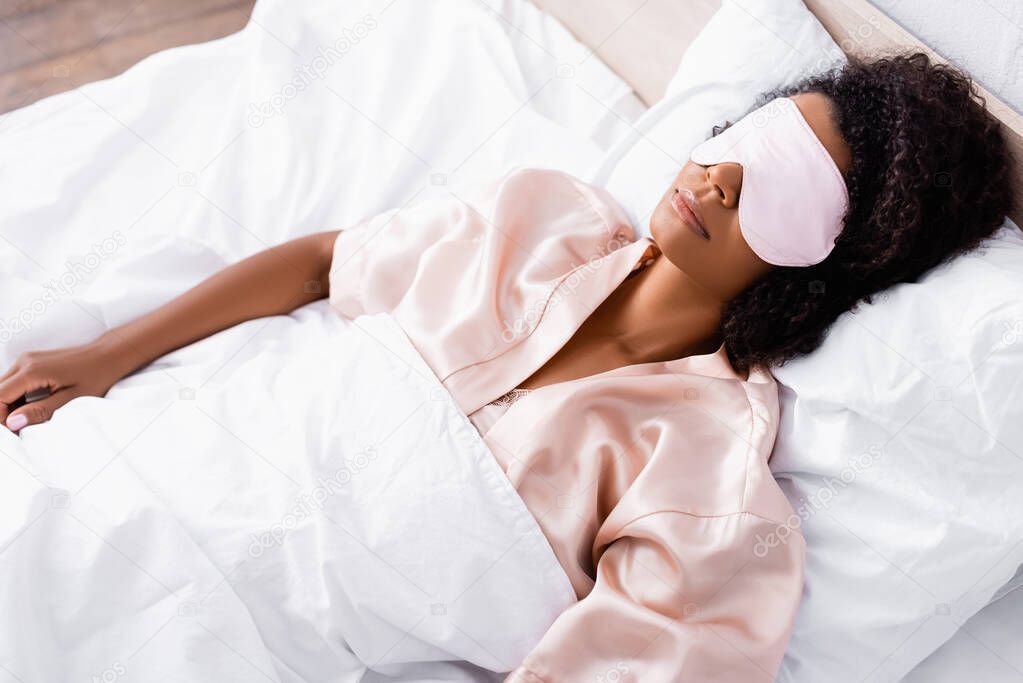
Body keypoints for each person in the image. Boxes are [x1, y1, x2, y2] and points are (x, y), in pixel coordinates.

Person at [0, 53, 1014, 681]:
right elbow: (323, 260)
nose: (718, 172)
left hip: (210, 628)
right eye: (747, 138)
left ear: (831, 257)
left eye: (780, 183)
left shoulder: (707, 471)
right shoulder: (539, 221)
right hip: (127, 464)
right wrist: (106, 352)